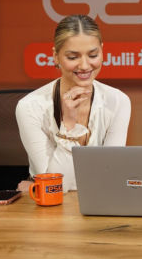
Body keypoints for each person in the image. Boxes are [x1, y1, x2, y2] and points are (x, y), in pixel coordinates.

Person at [15, 15, 131, 192]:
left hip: (99, 199)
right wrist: (69, 127)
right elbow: (56, 187)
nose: (84, 65)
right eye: (72, 57)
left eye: (93, 55)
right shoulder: (29, 107)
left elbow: (111, 175)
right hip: (50, 204)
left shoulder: (118, 101)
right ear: (56, 56)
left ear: (102, 51)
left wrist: (39, 185)